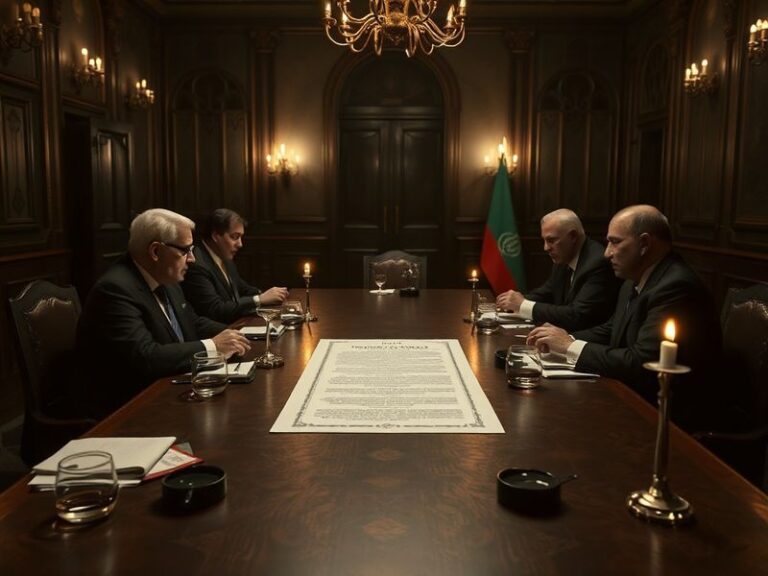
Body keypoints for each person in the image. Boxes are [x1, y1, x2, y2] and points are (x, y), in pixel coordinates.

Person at [526, 205, 721, 429]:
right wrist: (563, 340)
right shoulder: (633, 279)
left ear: (644, 243)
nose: (607, 253)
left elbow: (642, 364)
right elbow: (612, 329)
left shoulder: (675, 286)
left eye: (615, 242)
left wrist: (570, 346)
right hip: (635, 396)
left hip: (669, 418)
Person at [77, 208, 251, 417]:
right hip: (128, 409)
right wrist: (213, 346)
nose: (192, 259)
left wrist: (239, 336)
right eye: (185, 250)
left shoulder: (165, 277)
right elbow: (146, 356)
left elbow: (193, 322)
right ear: (156, 252)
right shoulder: (115, 290)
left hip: (168, 389)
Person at [496, 209, 620, 331]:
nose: (546, 248)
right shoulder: (564, 257)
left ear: (573, 236)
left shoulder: (598, 263)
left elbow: (577, 315)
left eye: (551, 240)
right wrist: (512, 302)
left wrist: (523, 305)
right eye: (544, 240)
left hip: (586, 338)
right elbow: (547, 293)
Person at [182, 209, 289, 323]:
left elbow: (243, 289)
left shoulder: (224, 256)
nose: (240, 244)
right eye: (235, 237)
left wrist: (271, 294)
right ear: (216, 236)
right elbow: (215, 309)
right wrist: (259, 299)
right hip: (218, 330)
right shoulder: (197, 264)